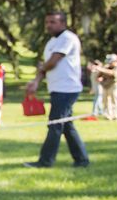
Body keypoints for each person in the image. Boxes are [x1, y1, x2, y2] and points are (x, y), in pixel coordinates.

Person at [23, 11, 89, 168]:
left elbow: (52, 62)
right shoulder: (52, 42)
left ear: (63, 23)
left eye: (53, 22)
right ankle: (81, 160)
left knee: (55, 125)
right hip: (57, 88)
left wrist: (42, 69)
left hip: (67, 88)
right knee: (66, 125)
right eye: (47, 22)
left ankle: (45, 161)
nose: (49, 25)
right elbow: (45, 66)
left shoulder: (67, 38)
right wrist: (36, 82)